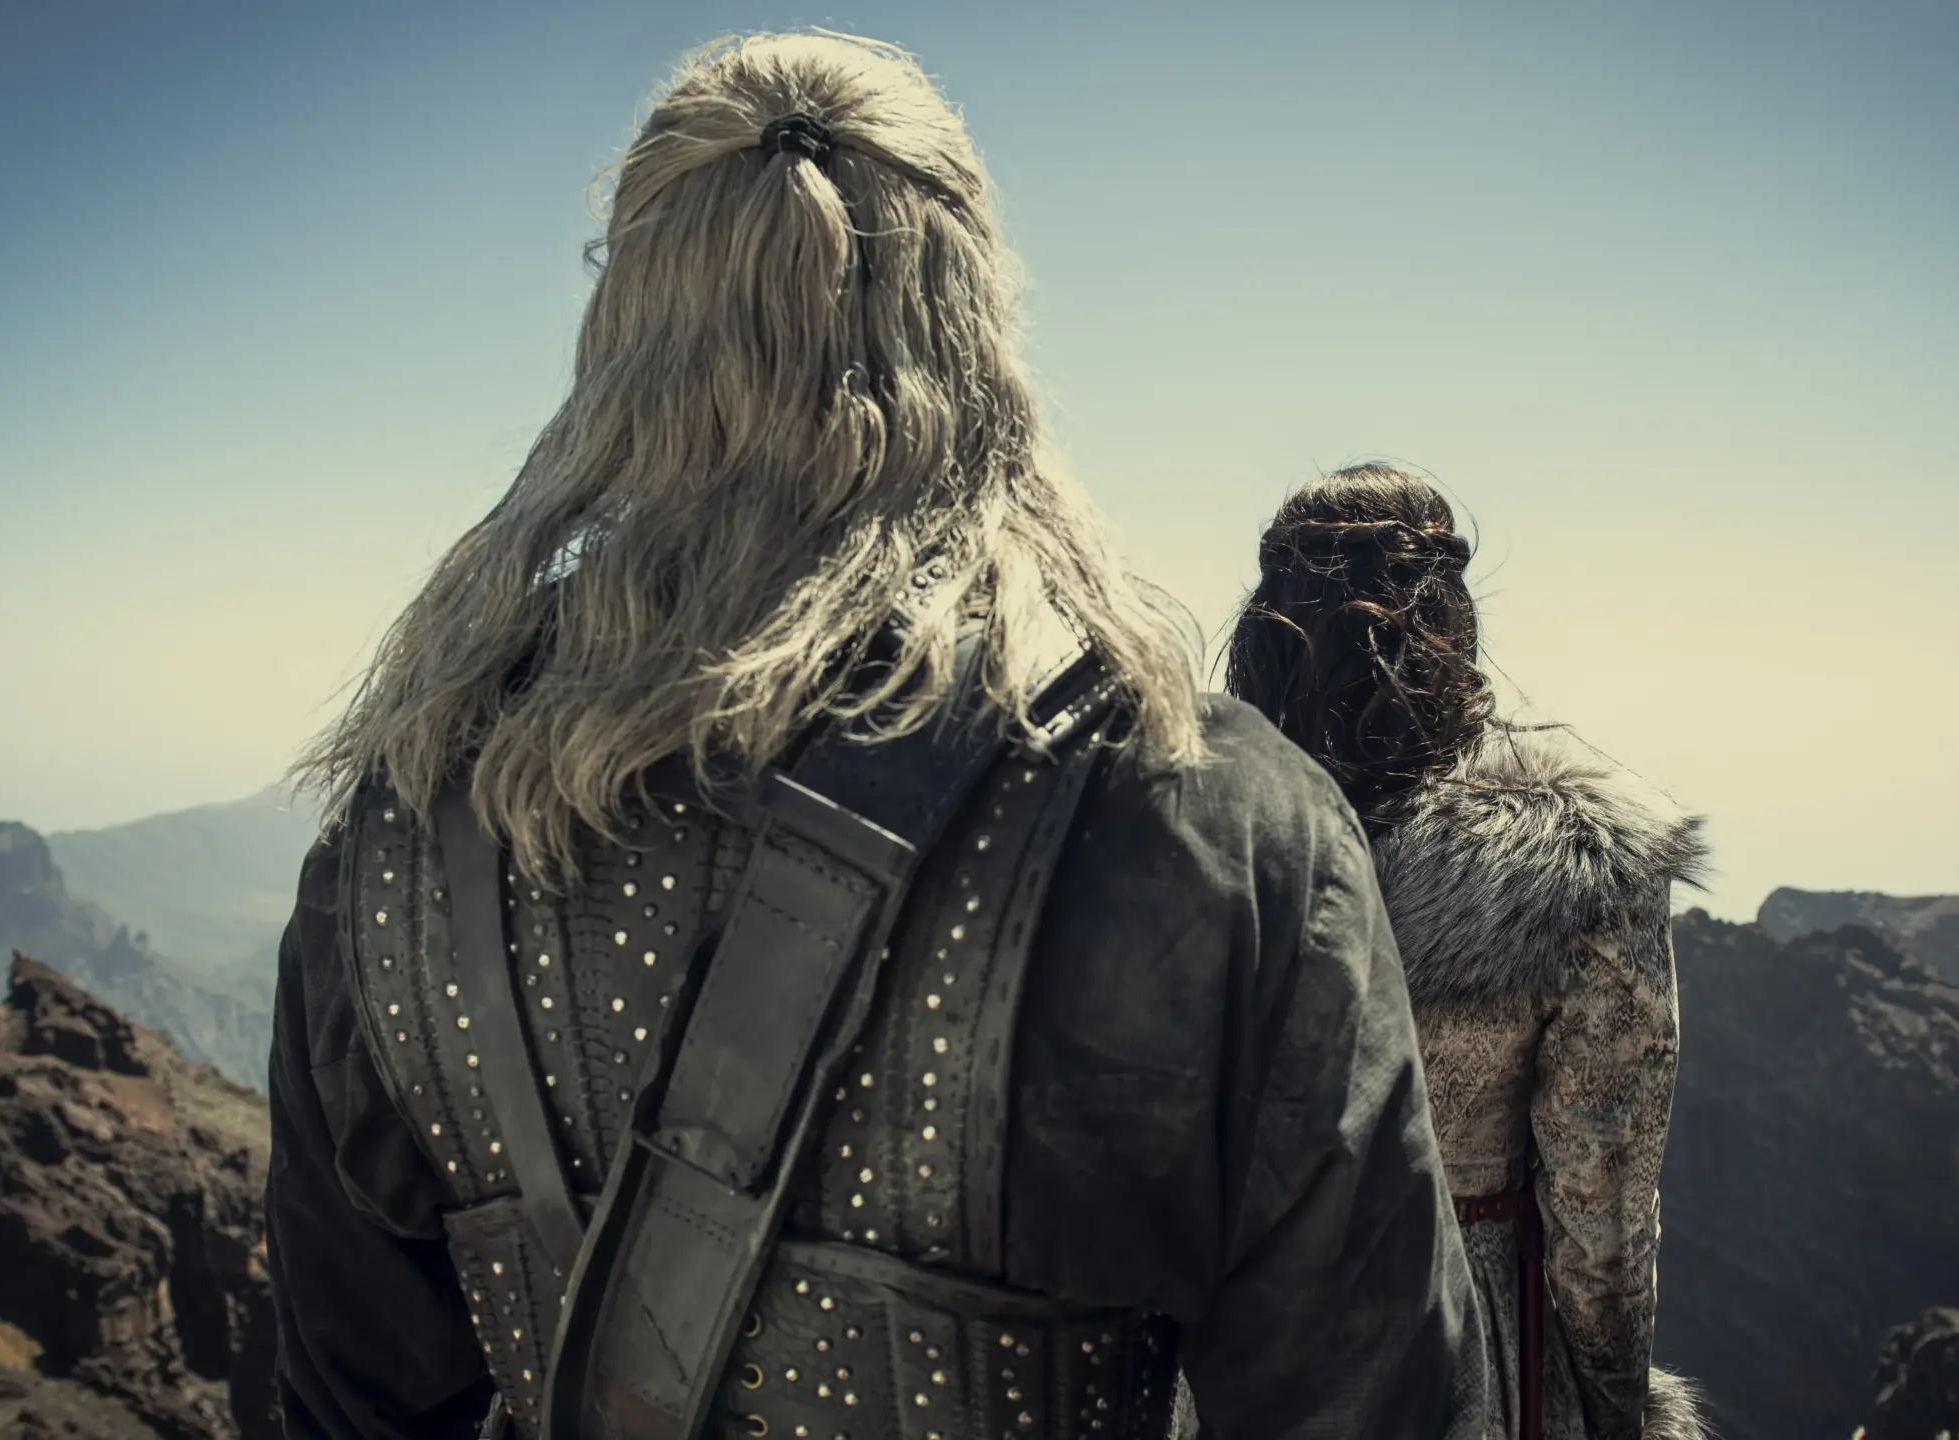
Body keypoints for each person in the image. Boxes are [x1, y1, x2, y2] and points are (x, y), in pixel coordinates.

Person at [263, 35, 1486, 1440]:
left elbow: (348, 1407)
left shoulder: (401, 837)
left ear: (620, 328)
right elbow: (1380, 1403)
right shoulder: (1211, 822)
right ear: (977, 328)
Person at [1224, 464, 1711, 1440]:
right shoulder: (1573, 862)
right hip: (1456, 1352)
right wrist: (1617, 1411)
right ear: (1450, 618)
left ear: (1265, 628)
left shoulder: (1185, 833)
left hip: (1226, 1346)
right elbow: (1600, 1220)